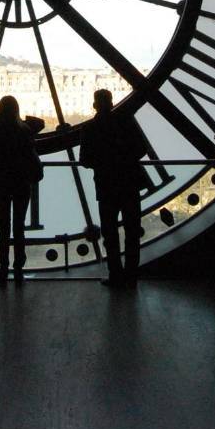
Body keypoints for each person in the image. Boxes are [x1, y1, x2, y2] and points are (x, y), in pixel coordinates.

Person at [78, 89, 147, 287]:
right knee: (132, 230)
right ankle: (131, 275)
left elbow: (85, 160)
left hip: (106, 185)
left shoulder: (89, 129)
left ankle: (115, 274)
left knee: (110, 233)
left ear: (95, 105)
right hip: (129, 182)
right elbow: (141, 149)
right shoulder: (126, 123)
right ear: (111, 102)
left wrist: (103, 162)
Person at [0, 96, 43, 285]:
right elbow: (39, 124)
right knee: (19, 227)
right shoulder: (24, 131)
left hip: (1, 182)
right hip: (21, 182)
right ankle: (18, 269)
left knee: (4, 229)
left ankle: (3, 269)